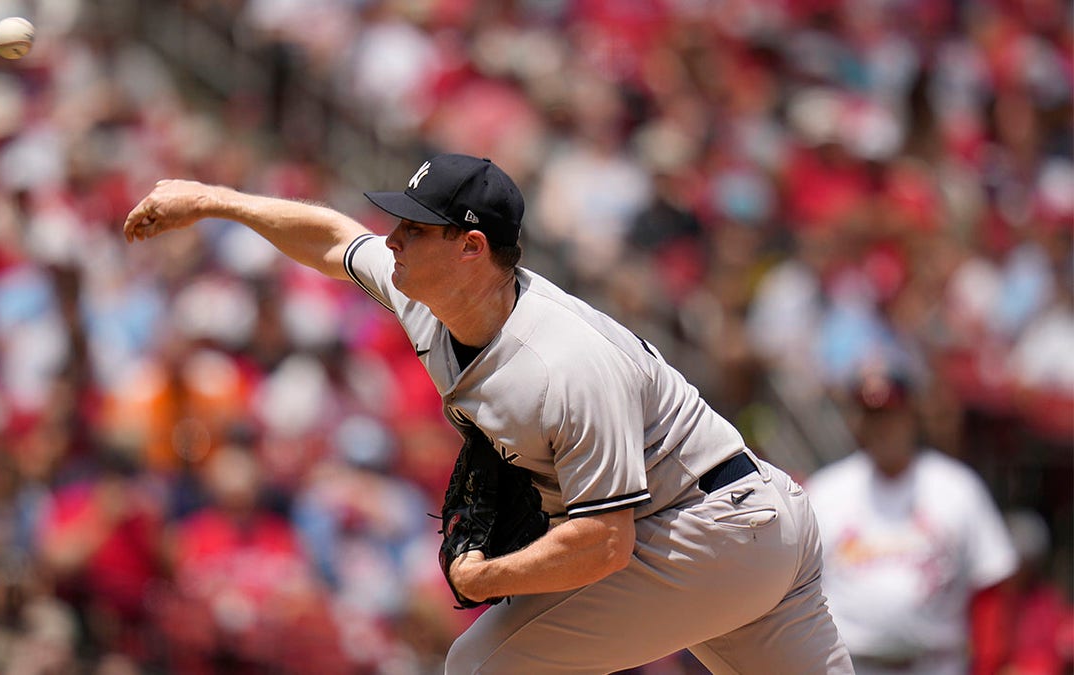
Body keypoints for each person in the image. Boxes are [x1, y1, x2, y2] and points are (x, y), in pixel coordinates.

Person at [122, 153, 854, 674]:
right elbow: (332, 240)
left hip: (703, 530)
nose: (393, 239)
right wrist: (215, 200)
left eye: (414, 228)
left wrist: (488, 574)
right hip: (751, 522)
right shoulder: (426, 289)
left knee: (480, 666)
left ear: (471, 248)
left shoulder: (563, 362)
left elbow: (604, 543)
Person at [806, 368, 1019, 675]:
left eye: (891, 416)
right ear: (859, 424)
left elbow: (990, 585)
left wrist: (989, 665)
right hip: (849, 665)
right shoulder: (825, 491)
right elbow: (797, 590)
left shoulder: (957, 487)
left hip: (935, 665)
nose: (883, 428)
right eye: (873, 417)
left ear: (911, 417)